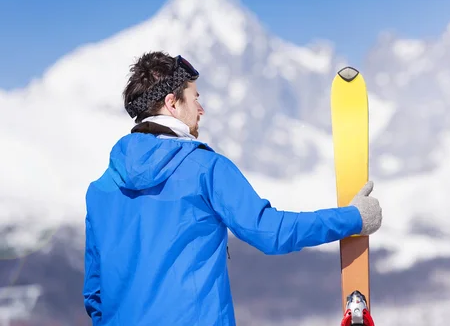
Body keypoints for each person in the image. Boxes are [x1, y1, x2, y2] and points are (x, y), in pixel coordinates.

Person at [82, 51, 383, 326]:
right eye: (194, 97)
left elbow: (95, 294)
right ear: (173, 103)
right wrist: (354, 218)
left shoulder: (100, 191)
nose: (201, 109)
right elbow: (270, 232)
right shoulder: (204, 168)